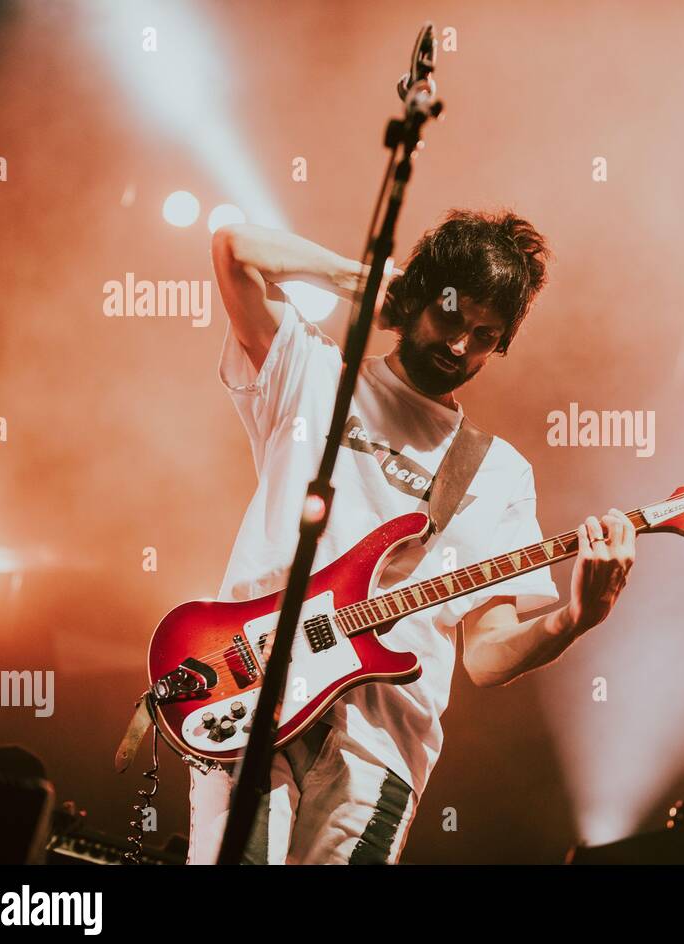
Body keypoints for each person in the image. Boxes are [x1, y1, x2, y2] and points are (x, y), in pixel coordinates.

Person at [188, 209, 636, 864]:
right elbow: (233, 250)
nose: (460, 346)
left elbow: (485, 656)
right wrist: (363, 281)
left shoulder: (500, 472)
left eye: (484, 336)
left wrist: (575, 618)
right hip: (253, 695)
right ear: (418, 295)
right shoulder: (316, 377)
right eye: (452, 317)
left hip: (380, 752)